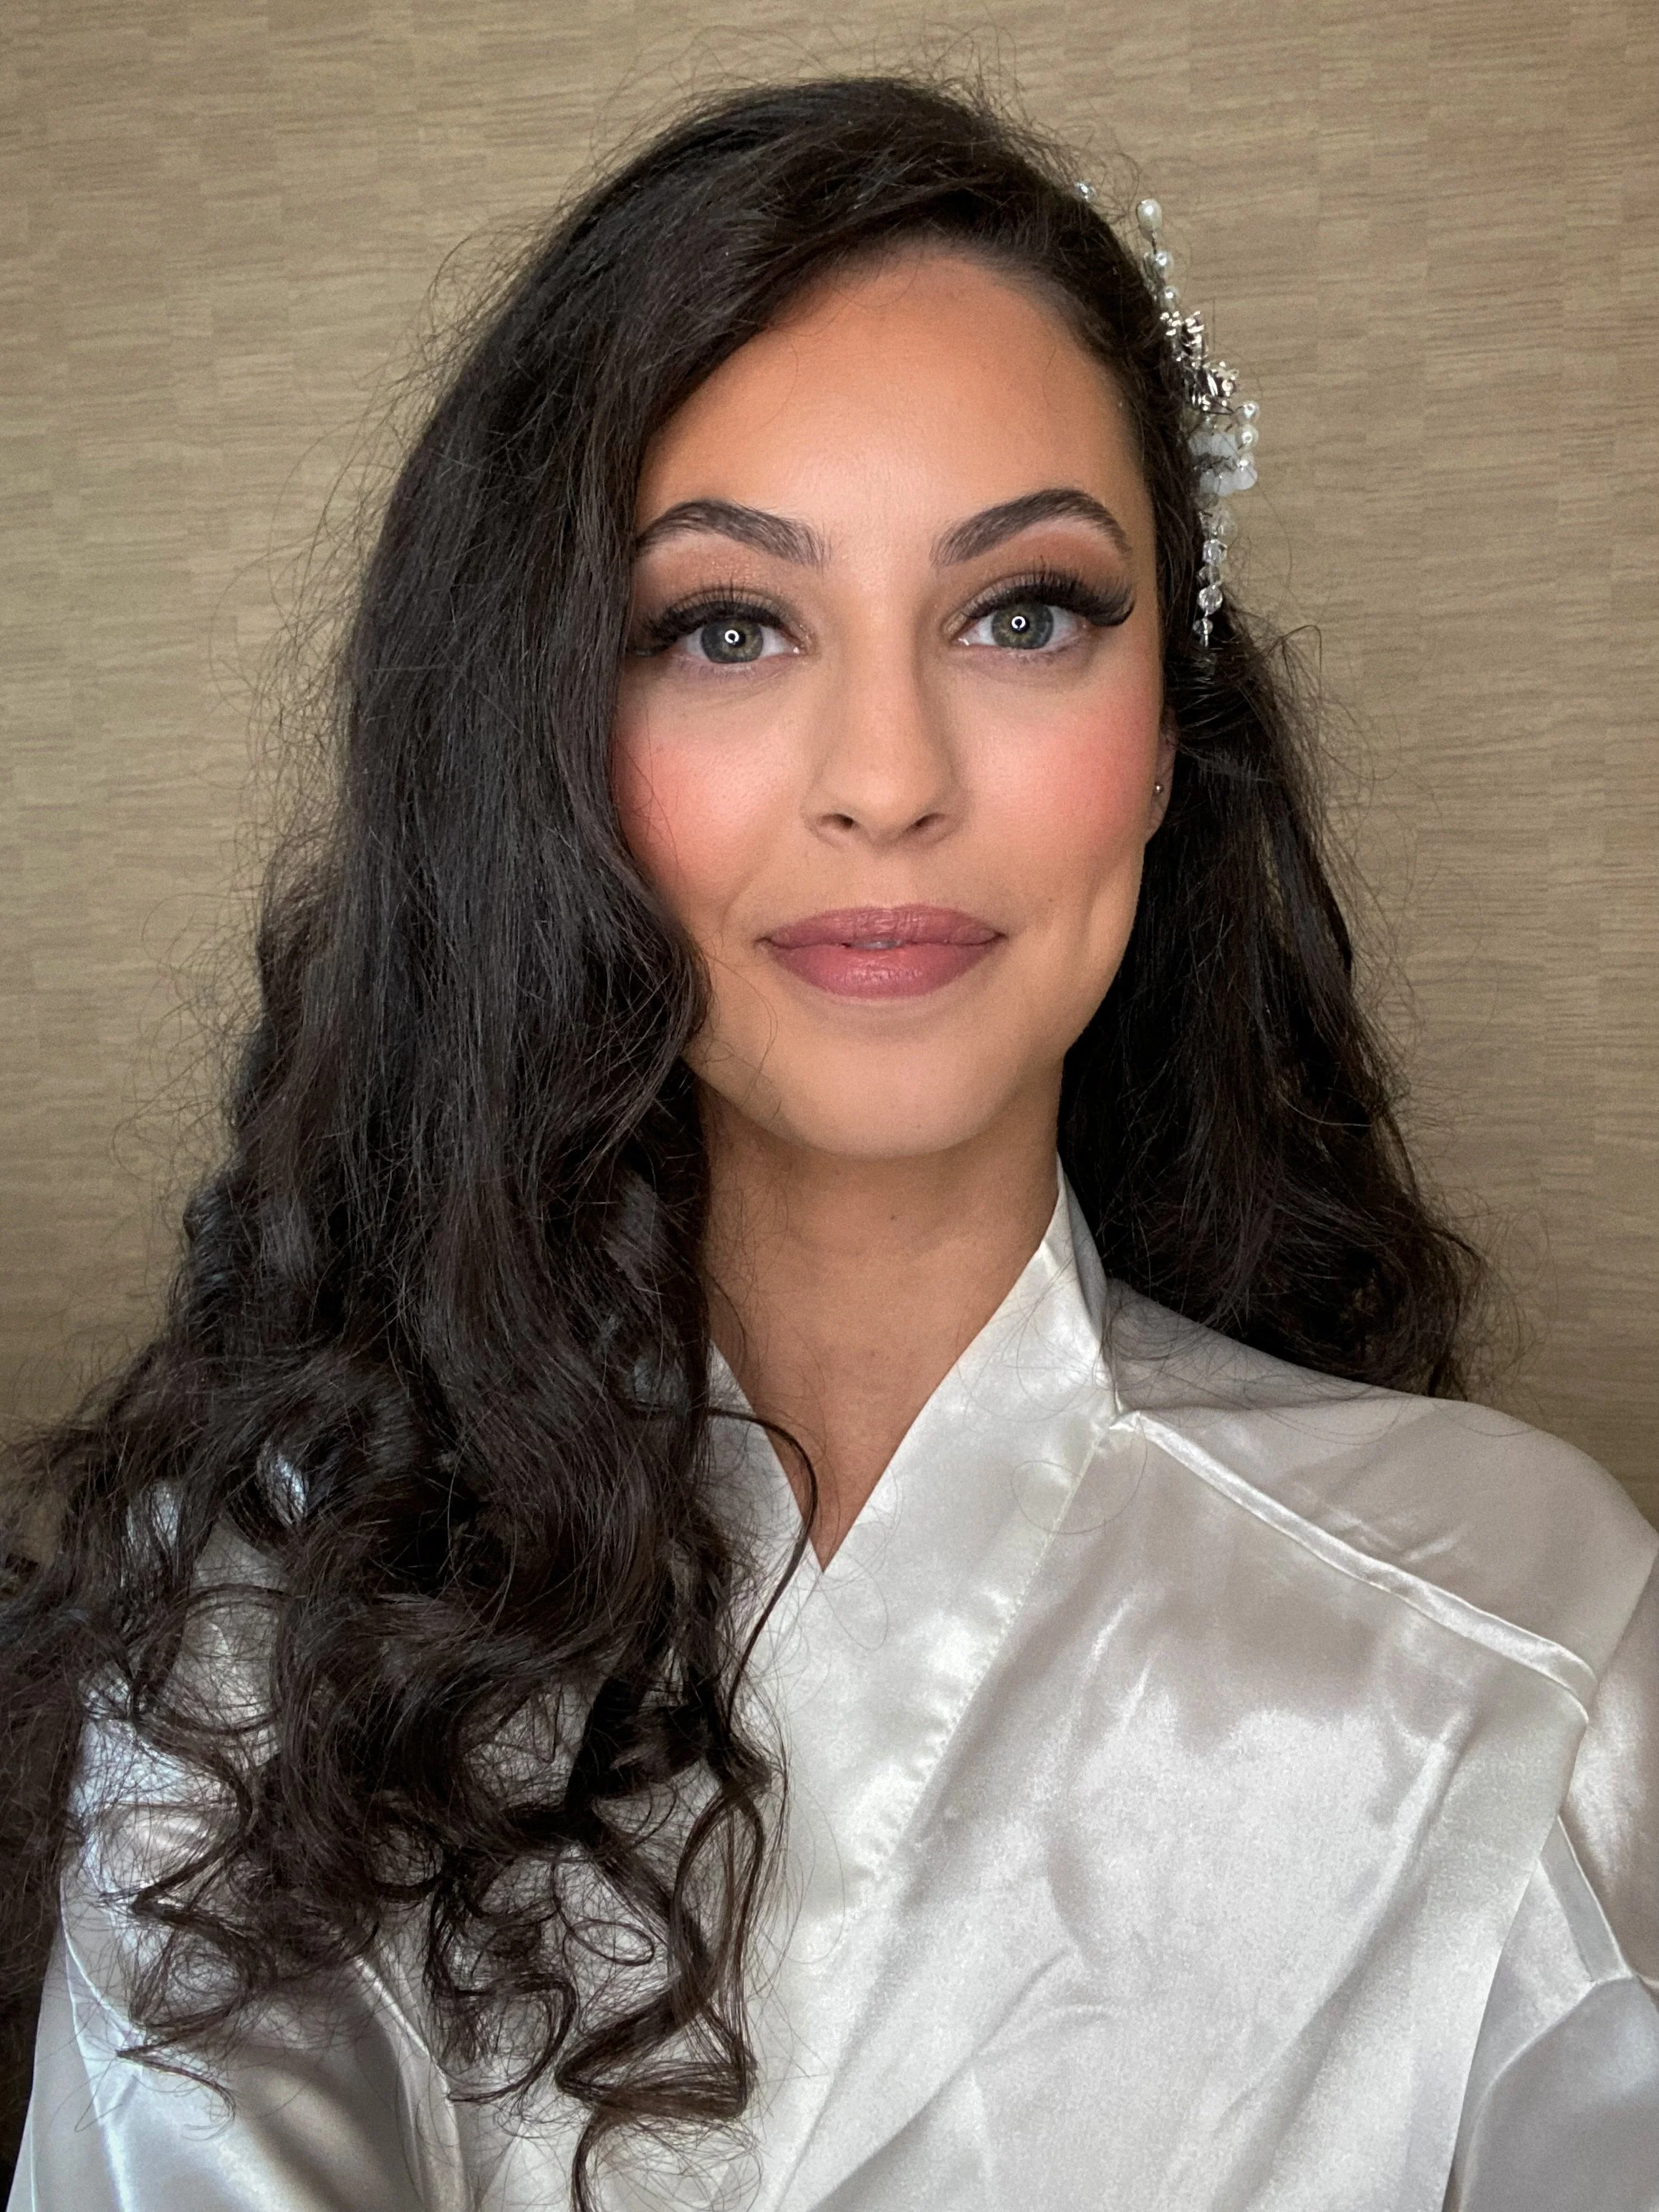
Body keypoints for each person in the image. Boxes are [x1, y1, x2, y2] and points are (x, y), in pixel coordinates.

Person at [3, 72, 1655, 2212]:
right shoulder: (270, 1635)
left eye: (1023, 610)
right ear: (549, 748)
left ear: (1171, 735)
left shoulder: (1522, 1646)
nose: (885, 775)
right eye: (724, 627)